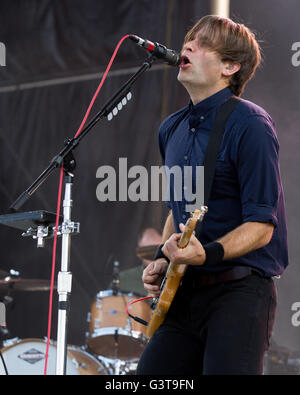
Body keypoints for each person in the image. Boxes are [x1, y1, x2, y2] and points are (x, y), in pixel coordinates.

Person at [136, 15, 289, 375]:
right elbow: (180, 207)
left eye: (202, 43)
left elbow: (262, 224)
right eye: (189, 39)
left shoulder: (251, 124)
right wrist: (163, 256)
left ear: (230, 66)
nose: (187, 46)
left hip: (239, 294)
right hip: (184, 291)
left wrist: (208, 253)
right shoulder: (169, 128)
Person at [113, 227, 162, 297]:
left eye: (157, 250)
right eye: (147, 251)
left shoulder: (174, 275)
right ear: (138, 252)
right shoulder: (123, 280)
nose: (153, 256)